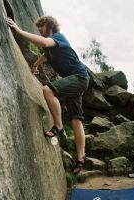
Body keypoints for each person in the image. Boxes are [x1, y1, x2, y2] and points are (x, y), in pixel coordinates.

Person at [6, 16, 89, 174]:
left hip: (78, 77)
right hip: (78, 79)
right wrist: (36, 64)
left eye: (41, 26)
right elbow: (46, 53)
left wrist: (18, 30)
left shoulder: (58, 37)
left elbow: (44, 43)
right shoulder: (50, 47)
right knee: (76, 119)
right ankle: (81, 158)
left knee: (48, 90)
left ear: (50, 25)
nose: (39, 29)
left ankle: (58, 126)